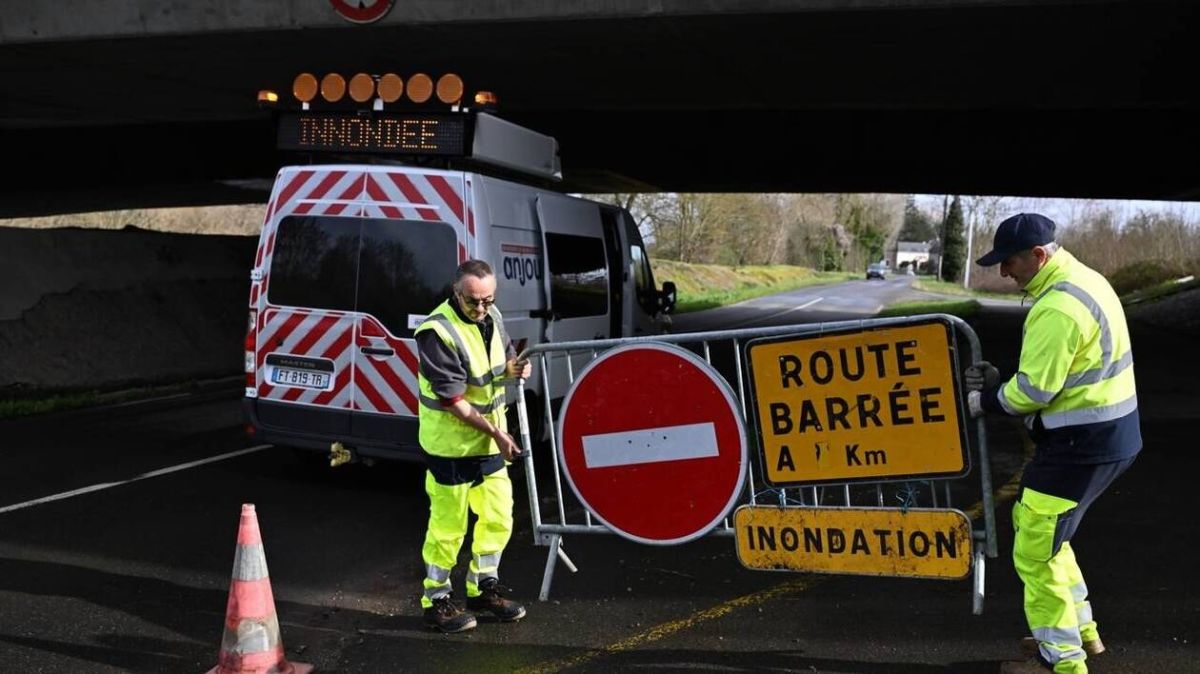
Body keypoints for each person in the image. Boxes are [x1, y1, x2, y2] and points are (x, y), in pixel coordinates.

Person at [963, 213, 1141, 674]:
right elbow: (1060, 370)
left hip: (1080, 446)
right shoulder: (1087, 280)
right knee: (1044, 532)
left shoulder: (1057, 307)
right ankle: (1081, 631)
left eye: (1009, 262)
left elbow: (1033, 392)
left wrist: (985, 400)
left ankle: (1060, 659)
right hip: (1107, 436)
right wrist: (1004, 381)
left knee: (1035, 550)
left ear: (1039, 255)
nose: (1005, 272)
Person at [413, 259, 531, 633]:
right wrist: (497, 433)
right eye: (473, 301)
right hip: (451, 447)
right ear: (456, 292)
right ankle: (437, 601)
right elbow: (453, 400)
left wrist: (514, 368)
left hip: (488, 443)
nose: (481, 308)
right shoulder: (436, 331)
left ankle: (483, 589)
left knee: (499, 517)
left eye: (487, 300)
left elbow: (503, 359)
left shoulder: (492, 316)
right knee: (448, 528)